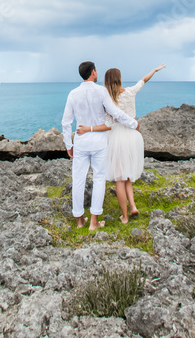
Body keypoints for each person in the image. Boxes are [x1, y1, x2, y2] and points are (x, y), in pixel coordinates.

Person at [78, 64, 164, 223]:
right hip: (132, 136)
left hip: (116, 137)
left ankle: (125, 217)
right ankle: (133, 207)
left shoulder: (106, 99)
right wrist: (155, 70)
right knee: (128, 176)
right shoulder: (130, 92)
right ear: (120, 79)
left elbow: (105, 122)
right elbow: (144, 80)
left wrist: (88, 129)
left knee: (119, 177)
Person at [61, 61, 139, 231]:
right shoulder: (101, 91)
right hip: (99, 142)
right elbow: (115, 112)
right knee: (98, 180)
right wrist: (133, 124)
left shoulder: (73, 94)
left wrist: (68, 144)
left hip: (81, 141)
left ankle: (80, 221)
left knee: (78, 179)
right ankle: (94, 222)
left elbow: (66, 122)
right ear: (94, 72)